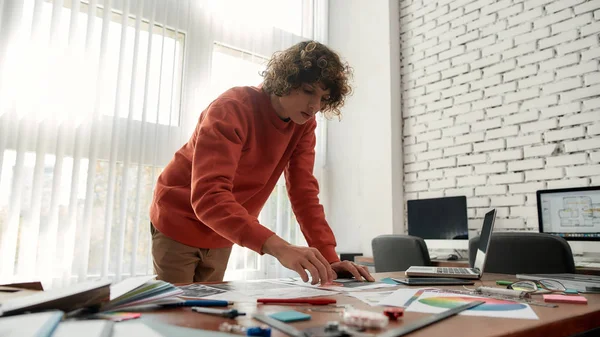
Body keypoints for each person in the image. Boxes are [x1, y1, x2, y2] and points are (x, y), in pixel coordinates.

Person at [149, 40, 374, 285]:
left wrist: (329, 259)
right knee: (177, 315)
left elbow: (304, 193)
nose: (315, 106)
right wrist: (281, 248)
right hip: (179, 219)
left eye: (323, 97)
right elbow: (208, 196)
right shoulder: (232, 108)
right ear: (286, 80)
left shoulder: (304, 125)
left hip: (223, 230)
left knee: (206, 315)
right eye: (309, 91)